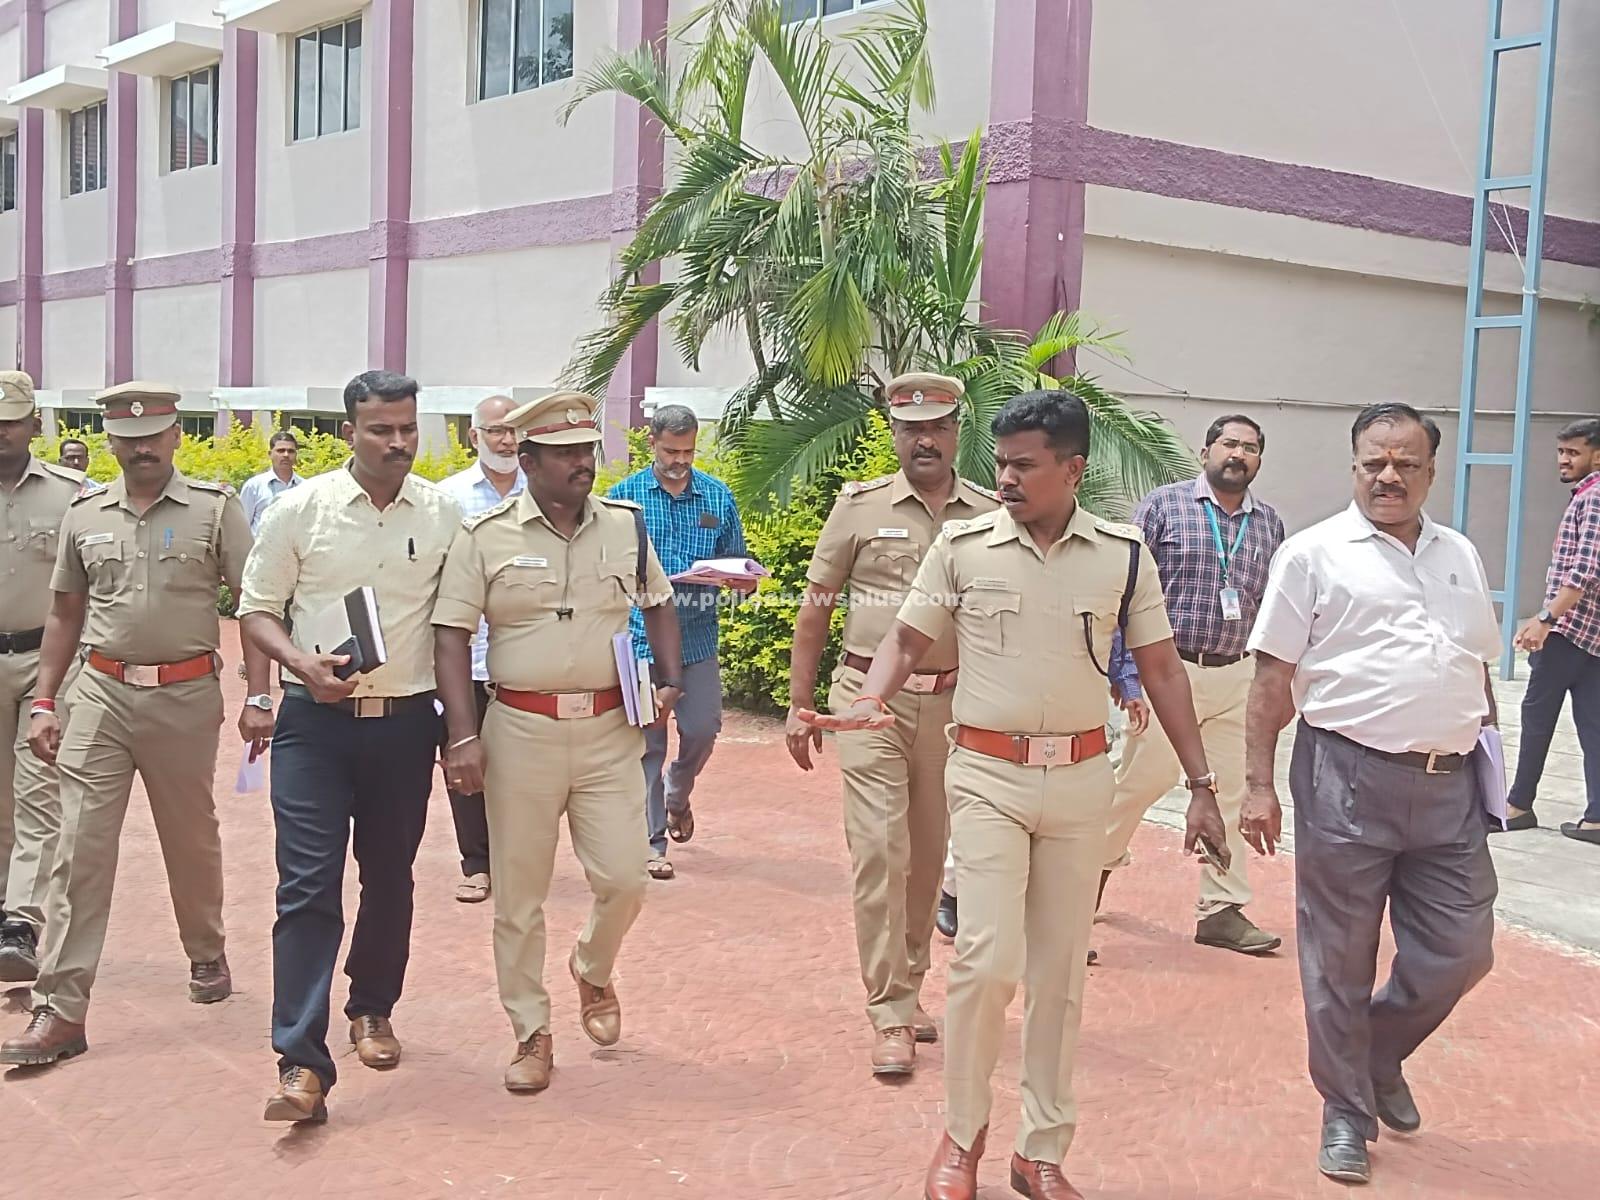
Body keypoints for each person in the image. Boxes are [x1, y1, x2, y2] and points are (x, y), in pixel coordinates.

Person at [800, 391, 1232, 1200]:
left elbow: (1163, 669)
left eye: (1024, 466)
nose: (1004, 478)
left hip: (1079, 782)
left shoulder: (1122, 555)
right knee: (987, 958)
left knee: (1061, 974)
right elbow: (906, 637)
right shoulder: (964, 546)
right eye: (999, 463)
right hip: (987, 776)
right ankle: (962, 1135)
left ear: (1073, 469)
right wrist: (872, 698)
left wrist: (1202, 783)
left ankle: (1041, 1151)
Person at [1242, 402, 1500, 1185]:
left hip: (1449, 785)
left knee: (1463, 950)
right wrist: (1257, 785)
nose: (1390, 476)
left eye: (1406, 464)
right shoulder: (1312, 554)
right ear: (1354, 466)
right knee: (1339, 958)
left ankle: (1378, 1052)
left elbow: (1476, 666)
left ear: (1431, 471)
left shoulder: (1459, 553)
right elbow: (1272, 677)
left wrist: (1491, 766)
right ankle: (1347, 1112)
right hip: (1345, 778)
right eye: (1375, 463)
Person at [0, 381, 271, 1067]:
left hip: (185, 696)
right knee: (78, 849)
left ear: (176, 436)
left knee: (190, 837)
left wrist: (260, 695)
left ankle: (205, 949)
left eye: (153, 436)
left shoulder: (215, 509)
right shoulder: (85, 512)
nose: (141, 448)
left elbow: (254, 604)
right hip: (100, 694)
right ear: (110, 442)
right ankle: (61, 1009)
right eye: (127, 438)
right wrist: (45, 700)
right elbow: (64, 612)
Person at [433, 390, 682, 1094]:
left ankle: (591, 968)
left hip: (609, 729)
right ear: (529, 458)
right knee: (519, 896)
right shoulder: (484, 536)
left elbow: (659, 603)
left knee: (626, 878)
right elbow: (450, 636)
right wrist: (462, 735)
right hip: (519, 731)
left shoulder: (626, 527)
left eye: (586, 450)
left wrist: (669, 681)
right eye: (565, 453)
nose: (582, 463)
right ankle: (531, 1030)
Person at [238, 370, 460, 1124]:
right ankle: (300, 1060)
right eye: (381, 429)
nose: (398, 443)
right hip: (314, 727)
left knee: (390, 876)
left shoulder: (443, 515)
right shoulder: (299, 511)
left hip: (405, 724)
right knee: (307, 885)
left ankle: (372, 1007)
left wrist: (463, 729)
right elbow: (257, 610)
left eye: (408, 428)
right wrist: (297, 664)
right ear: (348, 433)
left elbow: (457, 625)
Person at [786, 373, 998, 1077]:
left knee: (928, 855)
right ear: (895, 434)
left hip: (953, 706)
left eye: (937, 428)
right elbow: (816, 606)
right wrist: (799, 704)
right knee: (880, 849)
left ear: (957, 432)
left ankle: (907, 981)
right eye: (911, 430)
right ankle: (890, 1011)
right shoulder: (859, 507)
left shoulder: (989, 514)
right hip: (866, 702)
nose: (924, 440)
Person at [1098, 415, 1286, 955]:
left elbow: (1273, 607)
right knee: (1136, 783)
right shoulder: (1164, 506)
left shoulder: (1270, 525)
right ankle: (1083, 880)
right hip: (1167, 675)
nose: (1238, 454)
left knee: (1230, 792)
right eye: (1229, 443)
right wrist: (1127, 676)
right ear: (1206, 452)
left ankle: (1221, 909)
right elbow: (1122, 594)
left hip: (1237, 675)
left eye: (1250, 448)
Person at [607, 404, 749, 880]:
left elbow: (737, 561)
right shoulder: (622, 500)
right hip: (640, 638)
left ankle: (677, 792)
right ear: (652, 443)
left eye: (688, 452)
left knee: (704, 729)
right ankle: (652, 843)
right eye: (671, 451)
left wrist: (741, 581)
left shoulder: (717, 496)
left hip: (697, 637)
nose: (680, 460)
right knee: (647, 742)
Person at [935, 631, 1146, 948]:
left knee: (1061, 819)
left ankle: (1052, 940)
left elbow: (1111, 624)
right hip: (1006, 700)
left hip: (1071, 708)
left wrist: (1127, 683)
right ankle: (954, 889)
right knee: (996, 805)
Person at [0, 372, 83, 982]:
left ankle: (20, 922)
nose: (1, 431)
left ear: (34, 424)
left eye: (11, 421)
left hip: (46, 664)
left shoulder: (72, 496)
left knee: (38, 793)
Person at [436, 395, 526, 902]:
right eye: (496, 431)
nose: (507, 440)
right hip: (465, 657)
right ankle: (476, 863)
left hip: (524, 657)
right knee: (465, 759)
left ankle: (515, 859)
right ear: (474, 437)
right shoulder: (446, 499)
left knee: (520, 766)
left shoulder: (542, 494)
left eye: (514, 431)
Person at [1499, 417, 1600, 841]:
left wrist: (1545, 619)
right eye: (1561, 451)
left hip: (1568, 630)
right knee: (1593, 724)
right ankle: (1596, 817)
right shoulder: (1586, 496)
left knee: (1536, 717)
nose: (1563, 460)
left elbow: (1585, 570)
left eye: (1573, 452)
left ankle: (1518, 805)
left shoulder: (1593, 497)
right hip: (1591, 636)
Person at [239, 431, 305, 533]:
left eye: (290, 451)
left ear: (296, 455)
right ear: (270, 454)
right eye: (280, 451)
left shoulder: (305, 487)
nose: (286, 455)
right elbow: (242, 526)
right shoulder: (254, 486)